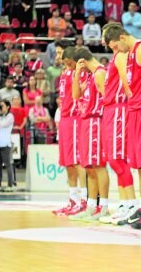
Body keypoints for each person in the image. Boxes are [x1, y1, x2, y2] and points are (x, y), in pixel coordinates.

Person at [102, 23, 141, 228]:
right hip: (134, 109)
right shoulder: (131, 53)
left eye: (115, 46)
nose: (116, 52)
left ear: (122, 38)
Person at [97, 26, 137, 225]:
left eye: (110, 43)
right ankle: (124, 204)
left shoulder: (121, 56)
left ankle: (131, 205)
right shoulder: (116, 56)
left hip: (119, 108)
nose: (110, 47)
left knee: (118, 159)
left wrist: (131, 96)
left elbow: (125, 80)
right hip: (111, 109)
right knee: (114, 160)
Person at [68, 48, 110, 221]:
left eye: (78, 66)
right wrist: (77, 74)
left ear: (83, 61)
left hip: (96, 121)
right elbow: (75, 95)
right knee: (90, 167)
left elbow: (107, 98)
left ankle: (104, 206)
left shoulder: (100, 73)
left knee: (99, 165)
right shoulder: (90, 75)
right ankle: (92, 205)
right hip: (87, 121)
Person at [52, 43, 88, 216]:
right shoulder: (64, 73)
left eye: (69, 63)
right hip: (65, 119)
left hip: (75, 119)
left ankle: (84, 200)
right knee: (68, 162)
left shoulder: (80, 73)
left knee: (77, 161)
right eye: (64, 62)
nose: (66, 65)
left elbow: (80, 95)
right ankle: (72, 199)